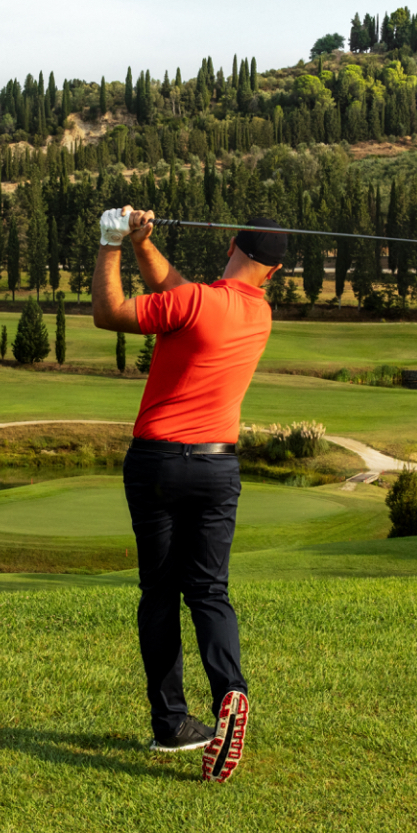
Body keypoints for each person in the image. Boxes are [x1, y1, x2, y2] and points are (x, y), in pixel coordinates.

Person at [91, 206, 286, 783]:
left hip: (156, 462)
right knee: (209, 590)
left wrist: (110, 243)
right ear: (271, 273)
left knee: (159, 592)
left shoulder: (198, 301)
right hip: (217, 468)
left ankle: (172, 723)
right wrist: (143, 244)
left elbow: (109, 313)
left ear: (230, 245)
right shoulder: (258, 312)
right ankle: (231, 694)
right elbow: (178, 292)